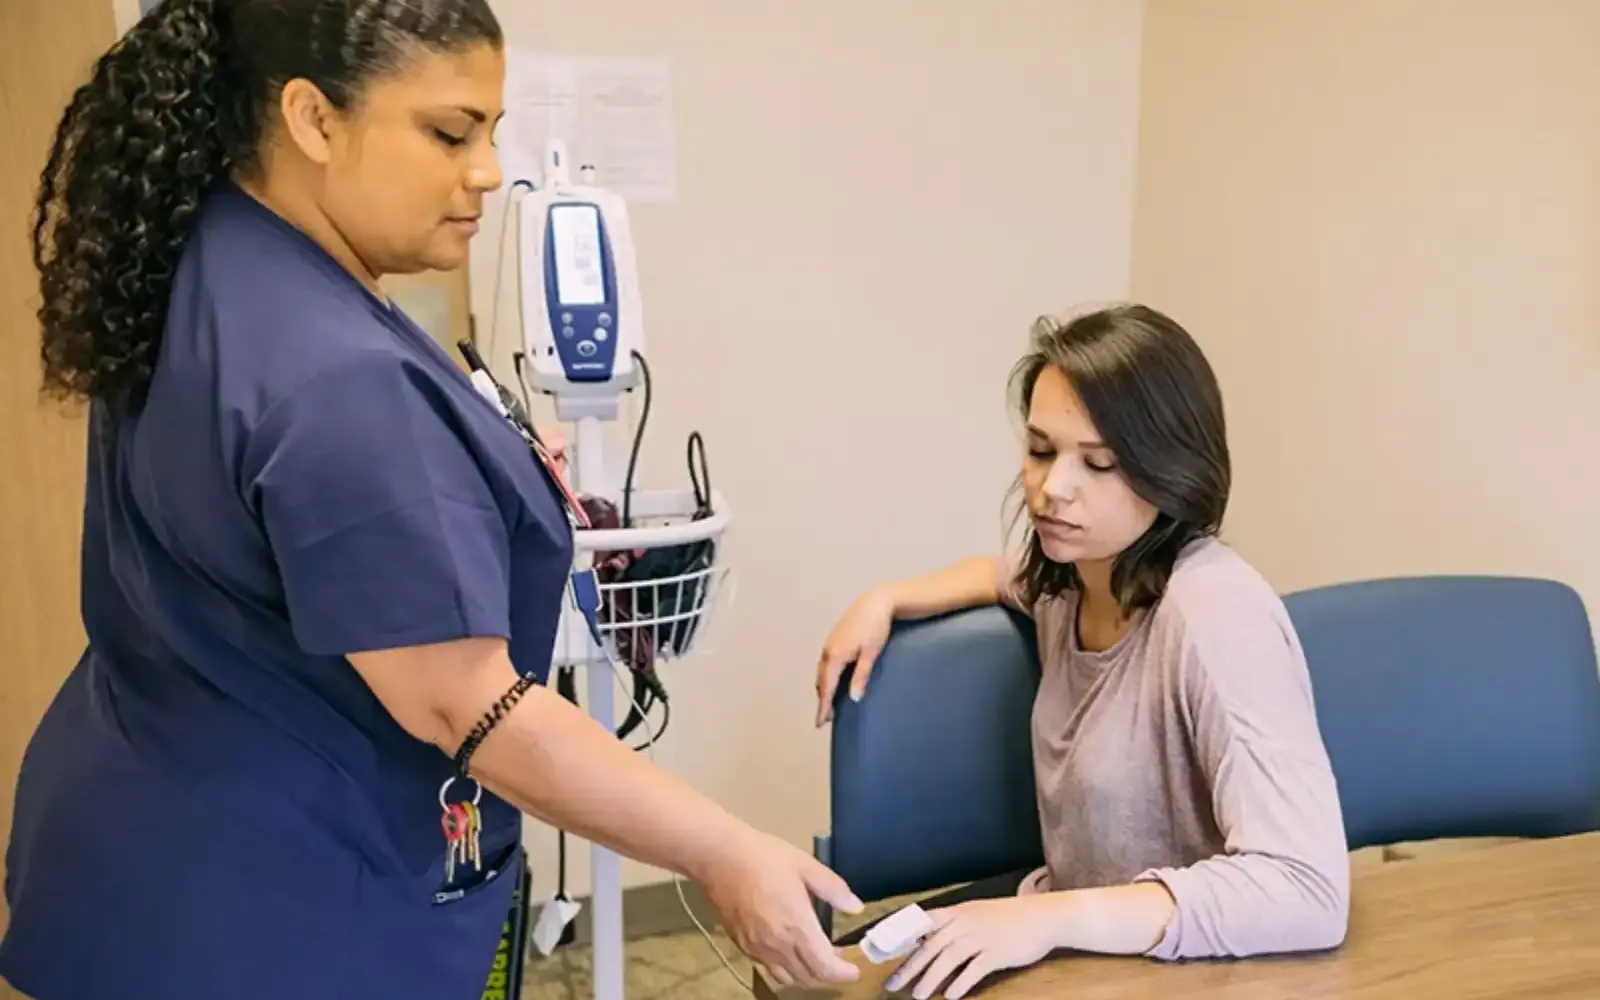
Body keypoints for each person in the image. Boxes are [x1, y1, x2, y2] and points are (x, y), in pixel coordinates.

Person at [0, 1, 862, 998]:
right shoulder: (340, 376)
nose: (487, 171)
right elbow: (469, 702)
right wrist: (722, 848)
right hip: (280, 911)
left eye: (492, 133)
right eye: (450, 133)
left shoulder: (208, 265)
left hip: (133, 848)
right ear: (313, 119)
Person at [814, 305, 1350, 1000]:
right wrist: (886, 599)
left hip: (1193, 971)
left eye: (1099, 463)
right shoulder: (1072, 575)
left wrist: (1048, 917)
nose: (1053, 489)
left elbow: (1306, 889)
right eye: (1041, 451)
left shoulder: (1216, 613)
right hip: (1079, 954)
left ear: (1171, 471)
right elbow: (997, 573)